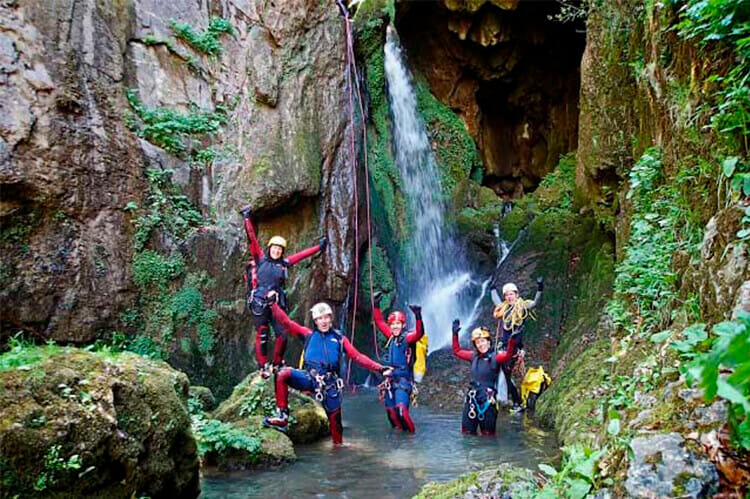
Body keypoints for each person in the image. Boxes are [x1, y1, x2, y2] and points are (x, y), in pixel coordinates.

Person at [263, 300, 392, 444]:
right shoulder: (308, 335)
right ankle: (282, 416)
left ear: (331, 318)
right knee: (283, 374)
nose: (323, 321)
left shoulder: (339, 339)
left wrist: (380, 368)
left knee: (336, 425)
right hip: (309, 378)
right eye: (319, 318)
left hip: (330, 384)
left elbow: (357, 356)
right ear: (315, 321)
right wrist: (272, 304)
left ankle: (338, 452)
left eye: (326, 317)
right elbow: (286, 322)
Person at [241, 206, 327, 375]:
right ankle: (262, 366)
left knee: (282, 335)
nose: (277, 251)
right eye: (274, 248)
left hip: (276, 304)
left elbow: (301, 255)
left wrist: (318, 248)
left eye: (279, 249)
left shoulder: (284, 264)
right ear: (270, 248)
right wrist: (247, 219)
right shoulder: (260, 259)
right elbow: (252, 238)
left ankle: (277, 363)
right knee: (262, 334)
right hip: (259, 302)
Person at [452, 319, 518, 435]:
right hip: (473, 397)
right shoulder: (473, 357)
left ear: (488, 342)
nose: (481, 345)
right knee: (466, 432)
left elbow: (508, 355)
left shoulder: (495, 357)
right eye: (478, 343)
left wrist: (512, 341)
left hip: (488, 399)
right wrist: (455, 334)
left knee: (488, 434)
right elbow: (457, 351)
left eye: (483, 341)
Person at [372, 291, 424, 433]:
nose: (395, 326)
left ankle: (411, 440)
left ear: (403, 325)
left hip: (403, 382)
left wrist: (418, 316)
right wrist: (376, 305)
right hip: (390, 381)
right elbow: (379, 322)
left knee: (401, 411)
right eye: (393, 324)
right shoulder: (391, 337)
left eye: (398, 324)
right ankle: (399, 442)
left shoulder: (407, 338)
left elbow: (419, 334)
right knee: (392, 414)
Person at [489, 277, 543, 408]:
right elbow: (496, 300)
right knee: (500, 370)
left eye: (511, 294)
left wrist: (540, 288)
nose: (509, 297)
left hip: (515, 346)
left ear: (517, 294)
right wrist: (492, 289)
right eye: (507, 295)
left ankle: (516, 401)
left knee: (506, 372)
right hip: (503, 345)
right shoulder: (503, 308)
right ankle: (507, 399)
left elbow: (535, 303)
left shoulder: (522, 306)